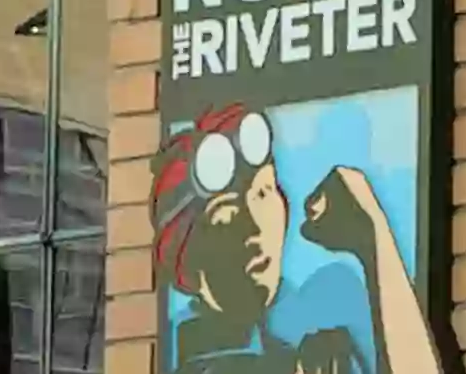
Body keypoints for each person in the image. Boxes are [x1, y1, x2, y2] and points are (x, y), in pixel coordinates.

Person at [151, 106, 442, 374]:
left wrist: (372, 237)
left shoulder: (303, 353)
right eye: (225, 216)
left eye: (263, 193)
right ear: (184, 259)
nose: (254, 227)